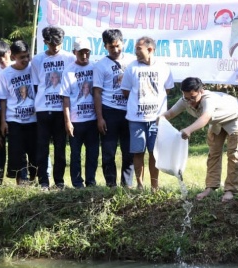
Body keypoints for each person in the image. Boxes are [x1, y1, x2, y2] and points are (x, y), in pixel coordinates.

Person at [160, 77, 238, 202]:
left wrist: (189, 129)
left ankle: (230, 190)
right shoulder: (185, 99)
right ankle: (210, 187)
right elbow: (170, 114)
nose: (190, 102)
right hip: (216, 121)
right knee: (213, 153)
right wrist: (157, 122)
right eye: (186, 98)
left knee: (234, 153)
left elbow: (205, 118)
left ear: (201, 91)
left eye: (193, 98)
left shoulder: (208, 99)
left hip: (234, 117)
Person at [121, 36, 174, 190]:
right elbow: (125, 91)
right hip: (136, 118)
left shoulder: (164, 67)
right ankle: (140, 184)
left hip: (157, 119)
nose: (136, 52)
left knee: (154, 152)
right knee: (138, 152)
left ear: (150, 49)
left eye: (139, 49)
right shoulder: (132, 67)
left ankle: (154, 186)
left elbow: (167, 89)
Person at [31, 26, 75, 190]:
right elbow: (36, 85)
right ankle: (43, 181)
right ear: (45, 42)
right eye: (51, 44)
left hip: (61, 109)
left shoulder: (70, 58)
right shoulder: (37, 60)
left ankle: (59, 181)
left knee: (60, 147)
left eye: (58, 43)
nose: (55, 47)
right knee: (42, 147)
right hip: (43, 108)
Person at [93, 29, 136, 188]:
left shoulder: (133, 61)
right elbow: (97, 92)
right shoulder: (100, 65)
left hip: (129, 112)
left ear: (123, 43)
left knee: (129, 151)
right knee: (108, 152)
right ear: (105, 46)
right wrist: (100, 118)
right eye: (111, 47)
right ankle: (110, 184)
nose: (116, 50)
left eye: (118, 45)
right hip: (109, 111)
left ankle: (127, 185)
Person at [0, 40, 38, 185]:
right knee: (17, 155)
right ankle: (21, 185)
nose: (25, 60)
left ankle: (33, 182)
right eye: (22, 57)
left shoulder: (33, 68)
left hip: (34, 120)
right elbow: (3, 100)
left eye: (27, 56)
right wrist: (3, 121)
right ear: (13, 56)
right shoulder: (5, 74)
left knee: (34, 153)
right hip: (14, 121)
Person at [61, 38, 98, 188]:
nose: (84, 57)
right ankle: (77, 183)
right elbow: (65, 98)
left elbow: (98, 93)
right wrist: (68, 121)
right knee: (75, 154)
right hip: (76, 120)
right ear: (74, 52)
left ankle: (91, 182)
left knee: (93, 153)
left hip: (93, 119)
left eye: (87, 53)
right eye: (81, 53)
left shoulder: (95, 67)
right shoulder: (68, 70)